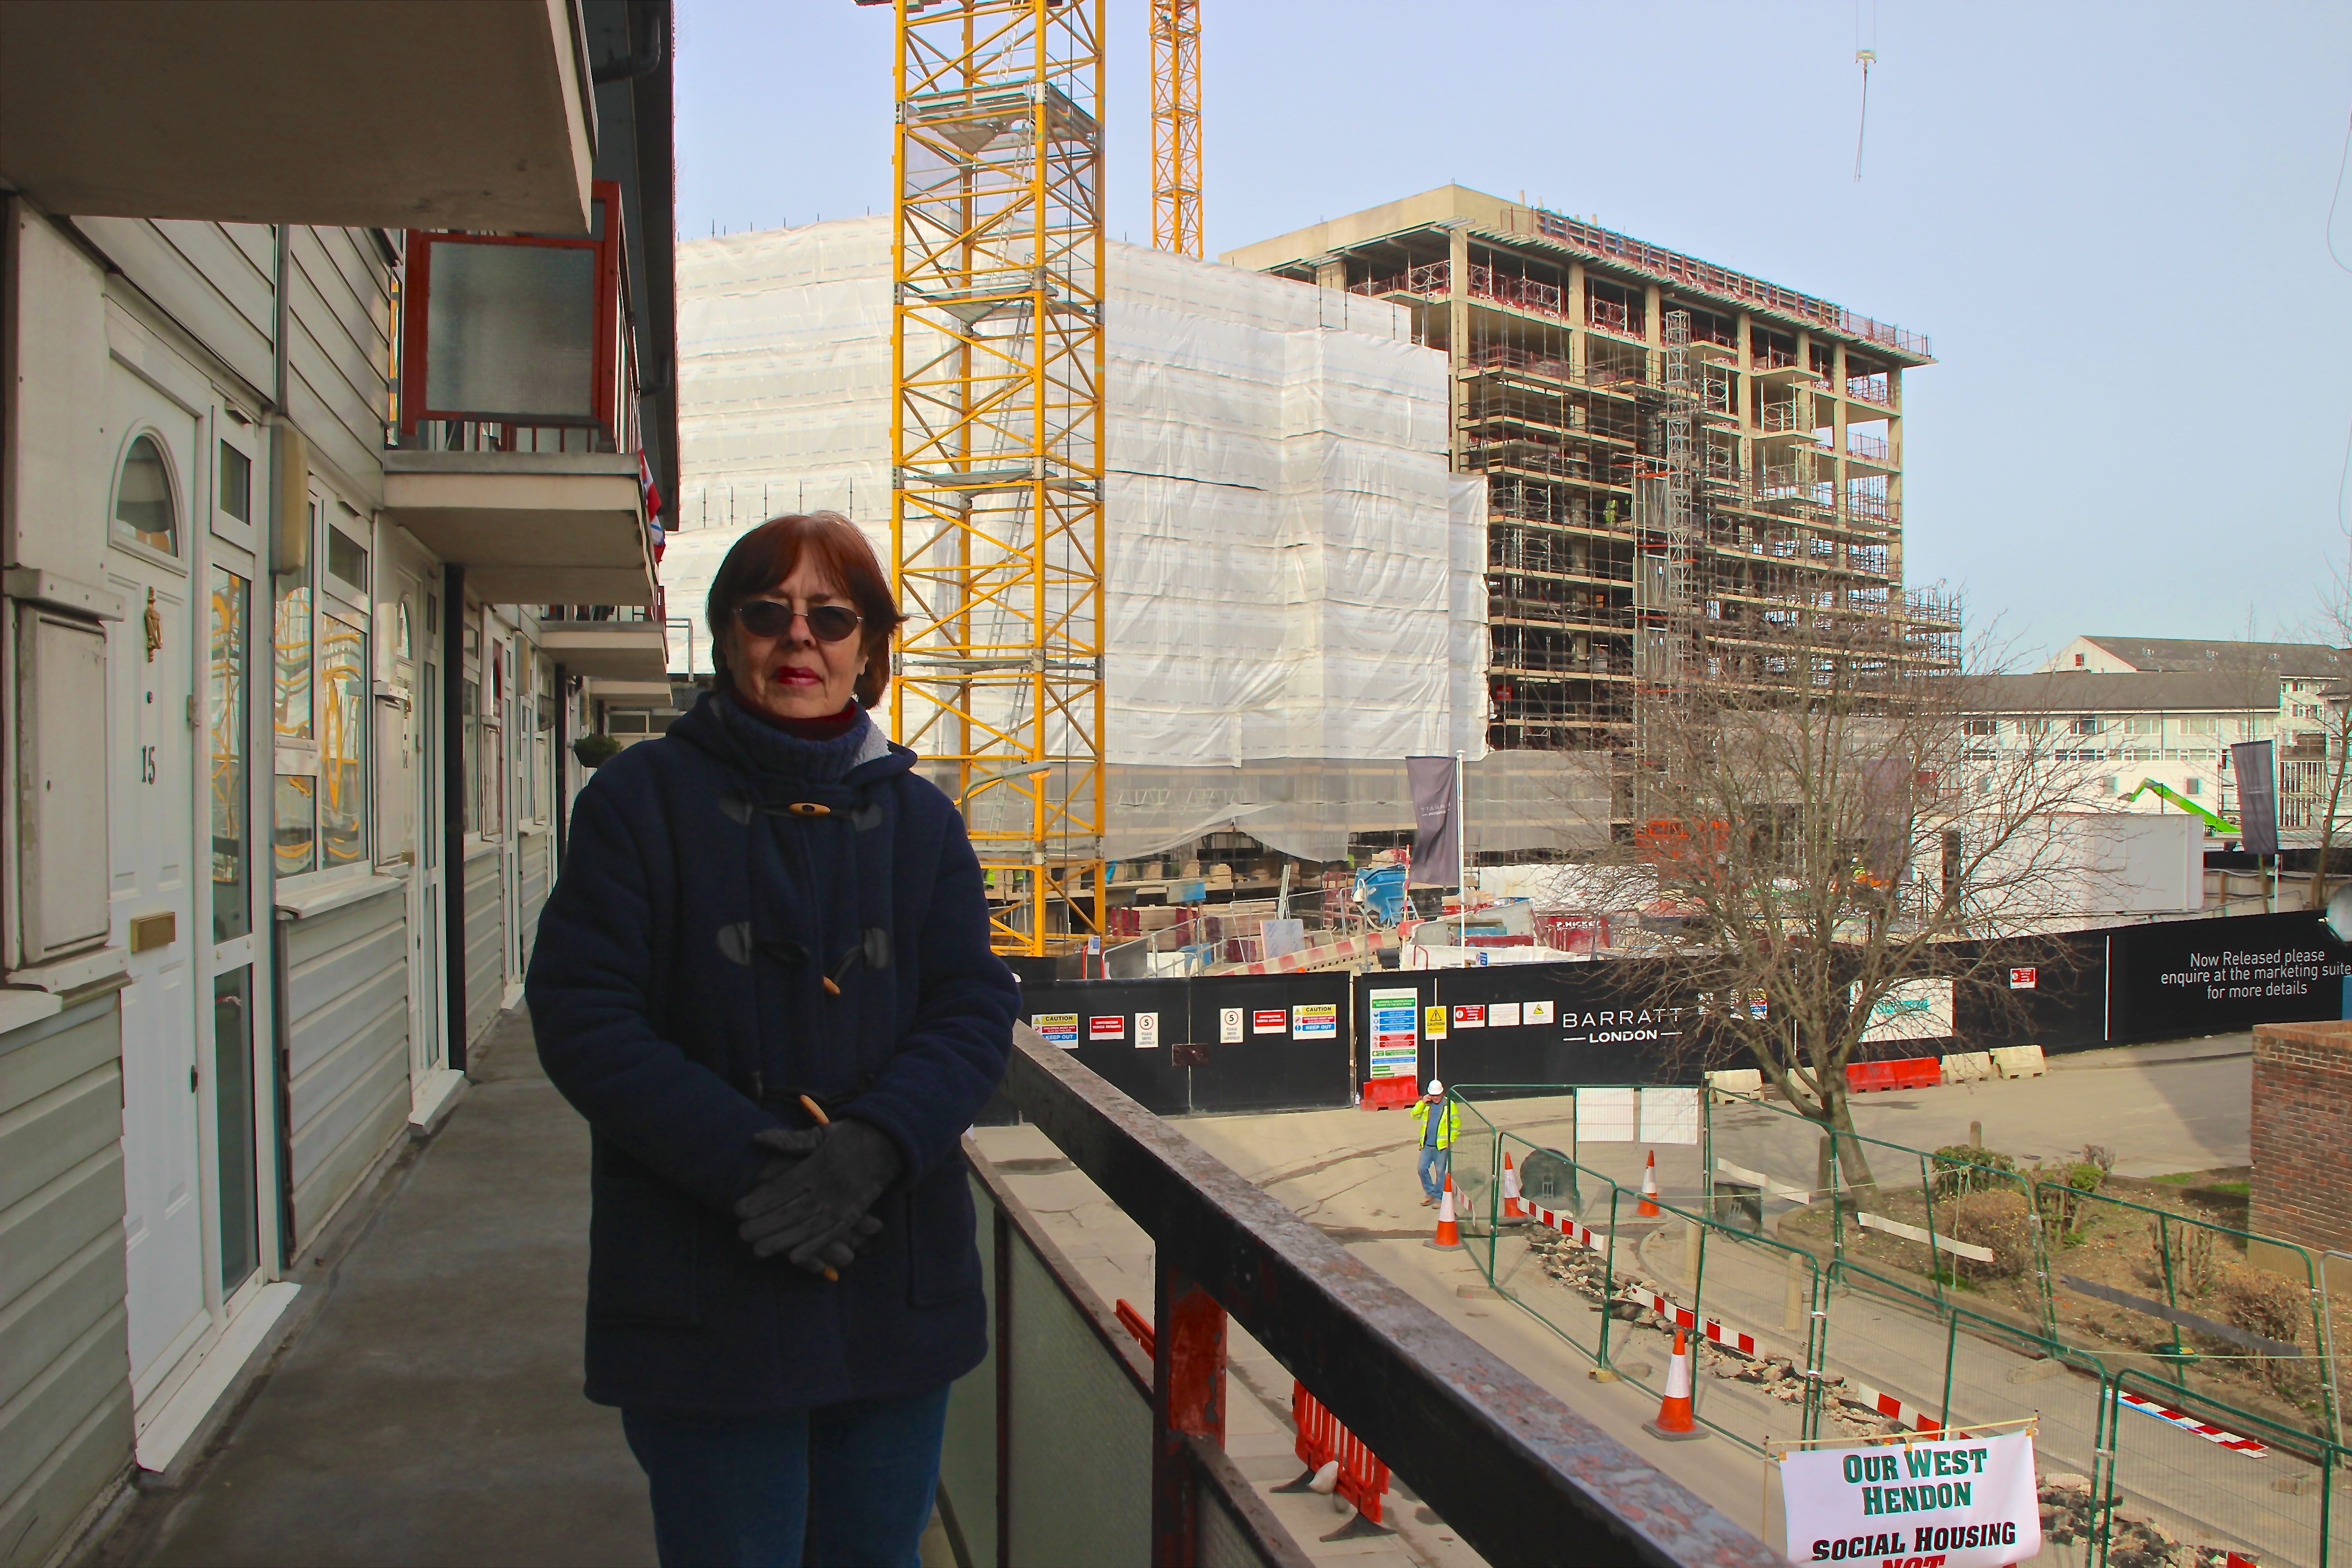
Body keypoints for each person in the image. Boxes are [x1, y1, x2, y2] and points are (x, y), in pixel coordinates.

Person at [527, 511, 1019, 1568]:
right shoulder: (634, 803)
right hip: (709, 1289)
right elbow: (583, 1013)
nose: (800, 638)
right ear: (726, 636)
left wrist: (873, 1146)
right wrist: (763, 1170)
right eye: (768, 611)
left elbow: (971, 1006)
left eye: (831, 617)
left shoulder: (927, 825)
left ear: (868, 649)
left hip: (886, 1281)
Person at [1410, 1078, 1457, 1207]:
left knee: (1440, 1173)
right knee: (1422, 1169)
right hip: (1427, 1145)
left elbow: (1455, 1125)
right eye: (1433, 1095)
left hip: (1441, 1147)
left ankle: (1439, 1198)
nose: (1435, 1097)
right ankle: (1430, 1192)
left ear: (1442, 1093)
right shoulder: (1427, 1104)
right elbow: (1414, 1115)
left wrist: (1451, 1140)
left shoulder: (1450, 1105)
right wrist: (1421, 1103)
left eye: (1437, 1095)